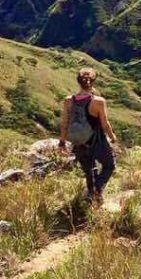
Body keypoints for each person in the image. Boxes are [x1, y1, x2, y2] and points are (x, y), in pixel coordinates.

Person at [59, 67, 118, 206]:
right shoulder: (98, 101)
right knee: (109, 166)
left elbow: (64, 123)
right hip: (97, 142)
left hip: (78, 143)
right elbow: (105, 123)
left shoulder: (68, 100)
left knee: (89, 171)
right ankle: (96, 192)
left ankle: (92, 196)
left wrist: (62, 142)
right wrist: (113, 137)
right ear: (93, 82)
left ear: (79, 82)